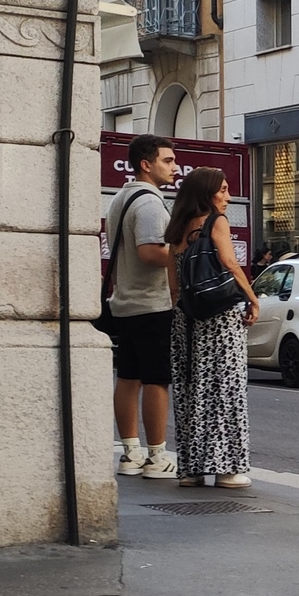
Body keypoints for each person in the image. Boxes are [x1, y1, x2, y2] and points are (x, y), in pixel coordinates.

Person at [163, 167, 256, 489]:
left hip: (185, 319)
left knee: (192, 390)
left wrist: (184, 313)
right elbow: (230, 263)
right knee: (225, 389)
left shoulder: (175, 230)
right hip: (219, 318)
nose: (227, 197)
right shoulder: (216, 222)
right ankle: (227, 469)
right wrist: (252, 298)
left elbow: (173, 287)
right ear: (207, 192)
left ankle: (191, 469)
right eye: (223, 190)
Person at [103, 135, 180, 480]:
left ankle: (130, 452)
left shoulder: (121, 198)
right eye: (168, 161)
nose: (175, 167)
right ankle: (157, 456)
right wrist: (180, 254)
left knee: (129, 377)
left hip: (125, 302)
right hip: (151, 303)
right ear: (146, 164)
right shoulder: (149, 203)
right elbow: (150, 253)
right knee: (156, 380)